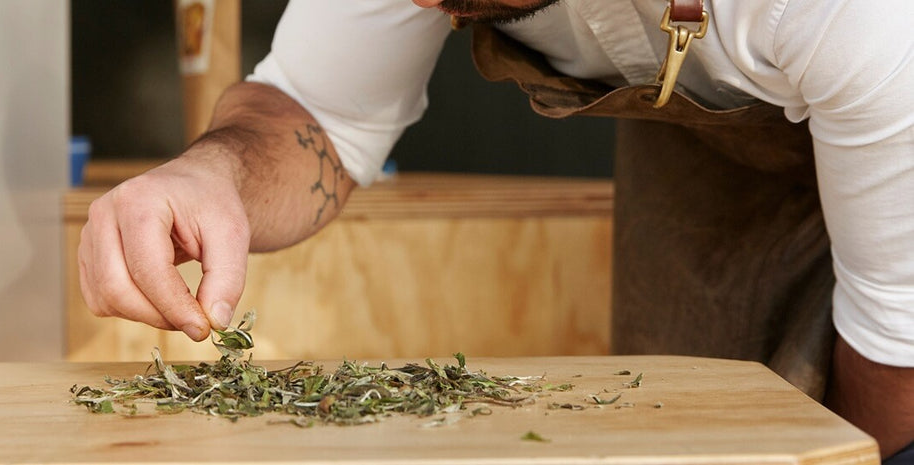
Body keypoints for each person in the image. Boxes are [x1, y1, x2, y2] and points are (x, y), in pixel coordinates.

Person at [77, 0, 913, 459]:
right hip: (716, 167)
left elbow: (898, 343)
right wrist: (210, 173)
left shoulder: (854, 15)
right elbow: (318, 110)